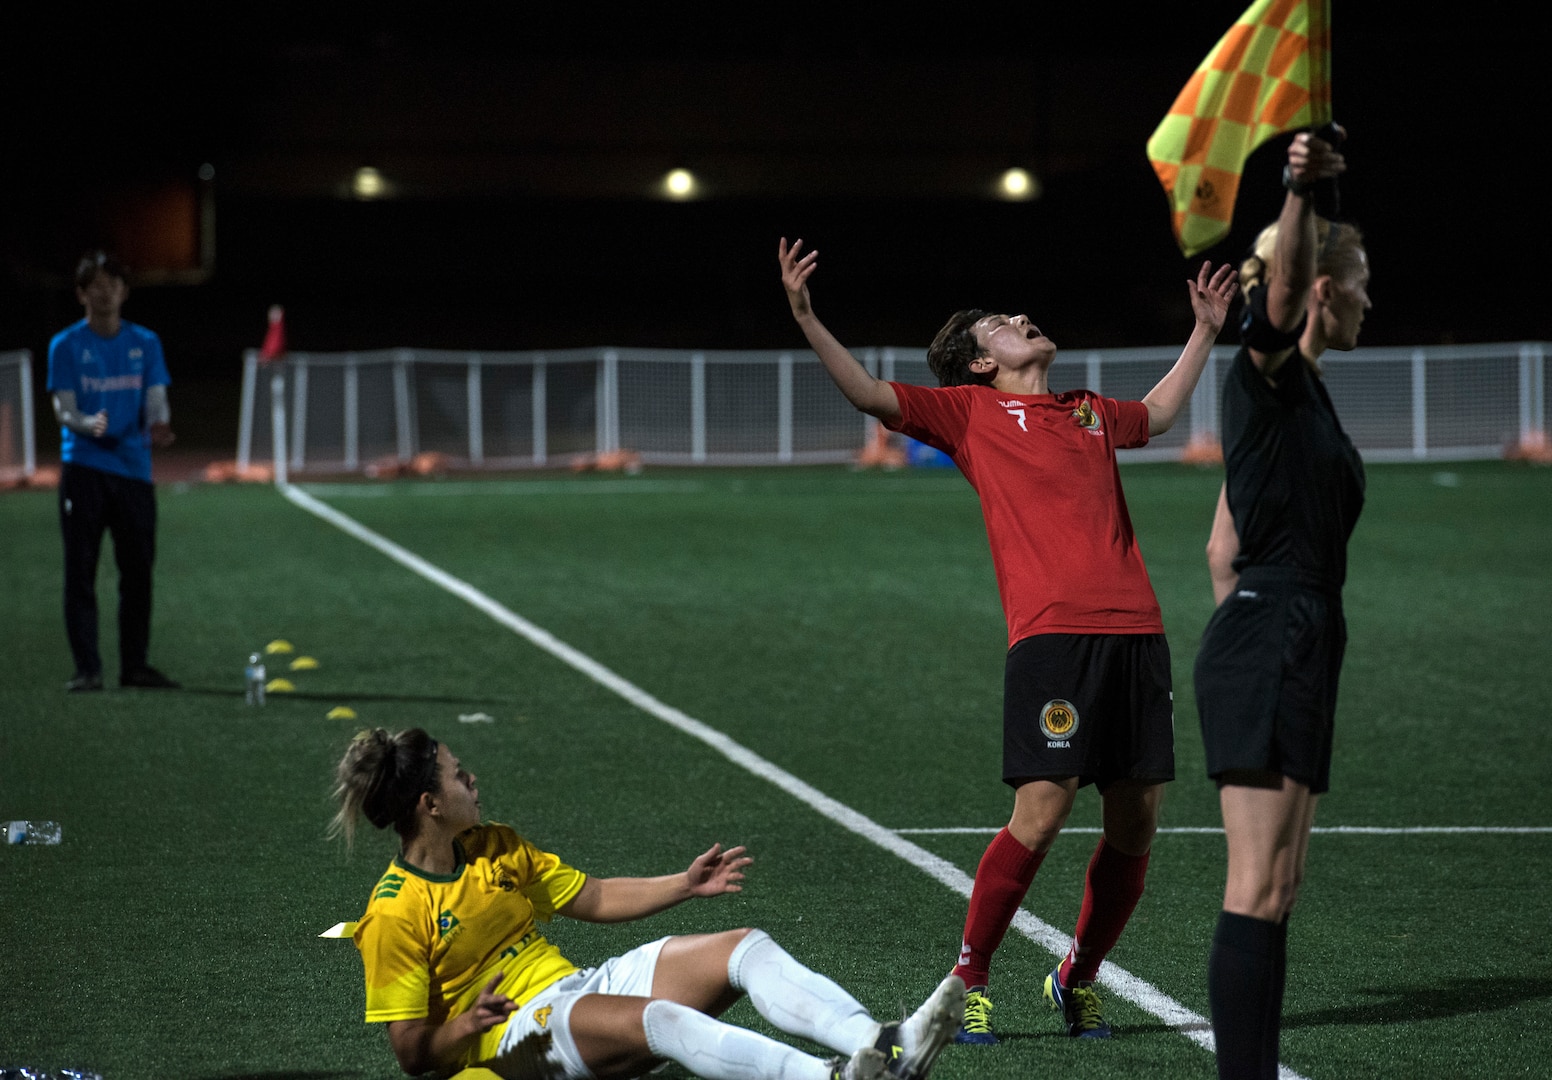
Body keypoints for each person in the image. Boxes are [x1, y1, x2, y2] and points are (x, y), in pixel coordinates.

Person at [779, 239, 1237, 1043]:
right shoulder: (968, 414)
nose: (1021, 321)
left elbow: (1159, 414)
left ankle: (1078, 976)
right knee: (1043, 811)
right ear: (980, 363)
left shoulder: (1087, 411)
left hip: (1138, 634)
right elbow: (867, 394)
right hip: (1051, 638)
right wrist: (808, 317)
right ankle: (970, 978)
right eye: (1000, 324)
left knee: (1136, 824)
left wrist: (1205, 330)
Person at [330, 727, 966, 1080]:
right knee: (661, 1018)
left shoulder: (493, 845)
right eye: (456, 773)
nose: (472, 779)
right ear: (429, 805)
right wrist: (467, 1026)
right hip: (505, 1046)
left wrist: (684, 885)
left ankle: (885, 1046)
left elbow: (595, 895)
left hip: (570, 995)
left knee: (744, 947)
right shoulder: (395, 912)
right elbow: (411, 1054)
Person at [1192, 128, 1367, 1079]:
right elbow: (1281, 299)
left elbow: (1221, 546)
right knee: (1256, 885)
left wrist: (1255, 622)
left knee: (1280, 885)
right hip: (1277, 631)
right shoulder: (1263, 371)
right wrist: (1300, 190)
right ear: (1325, 290)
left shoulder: (1297, 400)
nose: (1372, 303)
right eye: (1364, 285)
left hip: (1287, 630)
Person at [46, 249, 178, 692]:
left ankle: (135, 666)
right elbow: (63, 408)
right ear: (81, 293)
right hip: (84, 469)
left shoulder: (147, 342)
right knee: (80, 571)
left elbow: (156, 394)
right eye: (95, 285)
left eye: (113, 284)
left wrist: (159, 423)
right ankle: (87, 669)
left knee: (137, 570)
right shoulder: (65, 345)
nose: (105, 293)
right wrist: (86, 423)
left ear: (125, 291)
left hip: (134, 471)